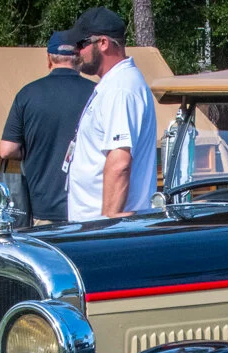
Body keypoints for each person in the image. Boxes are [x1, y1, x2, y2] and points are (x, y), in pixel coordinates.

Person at [64, 6, 157, 221]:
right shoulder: (114, 84)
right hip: (92, 227)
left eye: (81, 44)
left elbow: (119, 163)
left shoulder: (121, 89)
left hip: (100, 230)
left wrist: (108, 224)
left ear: (103, 43)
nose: (76, 51)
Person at [0, 31, 95, 224]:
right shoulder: (96, 93)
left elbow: (7, 149)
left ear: (49, 59)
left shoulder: (27, 94)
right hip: (87, 208)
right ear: (79, 58)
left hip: (41, 207)